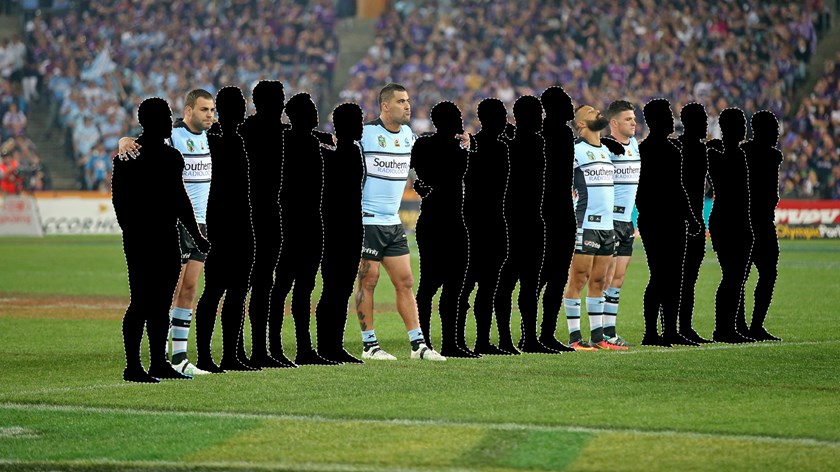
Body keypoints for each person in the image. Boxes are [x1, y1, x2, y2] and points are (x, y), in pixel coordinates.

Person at [117, 89, 217, 375]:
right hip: (173, 226)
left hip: (199, 221)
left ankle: (179, 357)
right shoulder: (173, 137)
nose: (210, 115)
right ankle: (155, 356)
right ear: (188, 111)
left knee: (189, 289)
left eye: (212, 110)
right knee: (164, 293)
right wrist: (124, 140)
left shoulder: (213, 135)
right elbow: (142, 140)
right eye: (204, 110)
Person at [354, 83, 449, 361]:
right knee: (368, 281)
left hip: (393, 223)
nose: (407, 105)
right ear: (385, 106)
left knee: (406, 282)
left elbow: (427, 159)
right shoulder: (365, 134)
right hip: (367, 221)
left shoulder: (408, 136)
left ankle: (418, 345)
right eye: (400, 101)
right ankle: (369, 346)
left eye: (407, 100)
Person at [412, 100, 475, 357]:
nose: (460, 120)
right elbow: (458, 173)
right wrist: (467, 146)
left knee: (429, 285)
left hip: (431, 221)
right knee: (452, 286)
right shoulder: (459, 150)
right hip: (451, 222)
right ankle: (450, 342)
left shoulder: (423, 145)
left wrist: (421, 185)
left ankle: (425, 342)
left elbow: (418, 174)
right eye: (457, 117)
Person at [564, 105, 626, 351]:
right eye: (590, 112)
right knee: (578, 279)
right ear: (580, 124)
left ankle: (598, 337)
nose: (596, 111)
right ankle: (574, 338)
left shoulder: (606, 151)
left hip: (607, 226)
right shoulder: (575, 150)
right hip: (586, 224)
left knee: (600, 280)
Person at [708, 108, 754, 344]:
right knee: (733, 276)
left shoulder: (717, 153)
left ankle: (736, 325)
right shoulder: (731, 155)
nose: (744, 128)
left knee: (736, 276)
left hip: (731, 219)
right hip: (730, 221)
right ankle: (724, 328)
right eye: (740, 124)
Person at [599, 100, 640, 348]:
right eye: (628, 119)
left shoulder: (634, 144)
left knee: (619, 278)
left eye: (634, 118)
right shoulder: (604, 148)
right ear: (614, 123)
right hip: (609, 221)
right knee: (605, 278)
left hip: (626, 222)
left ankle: (610, 332)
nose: (634, 123)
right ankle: (600, 334)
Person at [740, 110, 783, 342]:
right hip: (760, 223)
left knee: (741, 275)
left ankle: (741, 325)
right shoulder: (772, 156)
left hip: (745, 221)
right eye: (774, 128)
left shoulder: (743, 151)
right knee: (767, 273)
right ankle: (755, 325)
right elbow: (771, 194)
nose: (777, 133)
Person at [674, 103, 713, 344]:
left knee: (687, 279)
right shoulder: (684, 149)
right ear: (692, 123)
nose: (706, 125)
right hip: (684, 222)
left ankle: (683, 327)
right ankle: (674, 328)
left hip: (694, 221)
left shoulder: (698, 149)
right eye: (703, 120)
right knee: (678, 279)